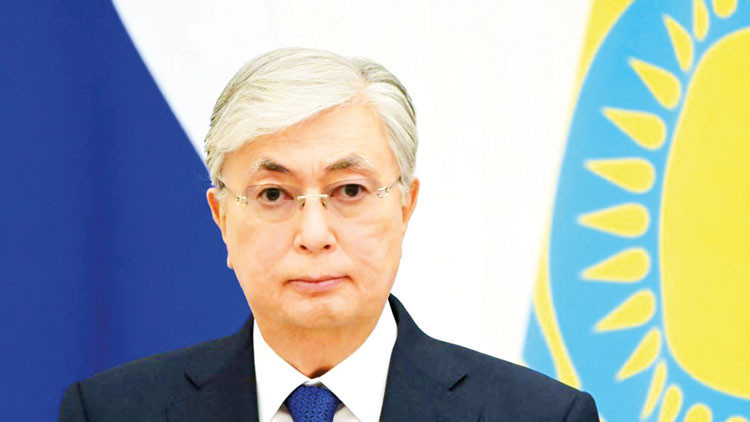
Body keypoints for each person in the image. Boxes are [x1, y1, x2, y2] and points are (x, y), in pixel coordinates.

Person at [59, 47, 598, 422]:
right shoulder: (108, 413)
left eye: (350, 190)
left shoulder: (541, 417)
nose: (314, 235)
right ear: (222, 218)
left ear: (405, 207)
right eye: (274, 194)